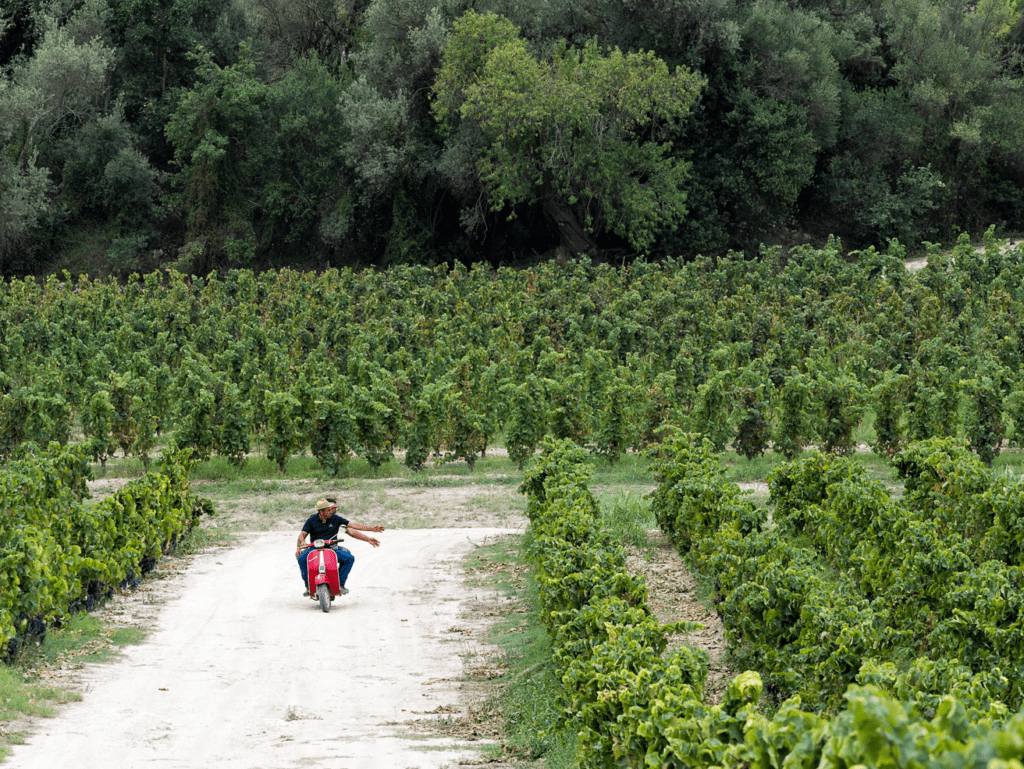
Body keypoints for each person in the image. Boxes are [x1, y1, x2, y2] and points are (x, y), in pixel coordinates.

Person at [295, 498, 385, 597]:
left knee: (349, 558)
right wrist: (300, 545)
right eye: (329, 510)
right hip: (315, 549)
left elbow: (352, 526)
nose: (332, 511)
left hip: (333, 548)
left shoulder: (336, 519)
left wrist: (371, 529)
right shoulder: (312, 519)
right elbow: (302, 534)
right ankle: (308, 586)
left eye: (332, 509)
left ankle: (340, 584)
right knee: (301, 559)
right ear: (321, 512)